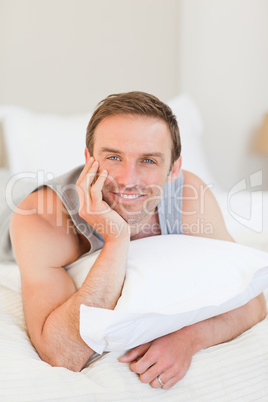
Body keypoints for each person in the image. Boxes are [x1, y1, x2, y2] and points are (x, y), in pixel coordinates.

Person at [10, 91, 266, 390]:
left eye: (148, 160)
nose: (128, 179)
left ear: (174, 169)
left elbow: (253, 300)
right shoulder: (38, 215)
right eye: (113, 157)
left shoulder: (188, 196)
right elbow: (62, 354)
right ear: (88, 159)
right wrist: (117, 239)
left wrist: (187, 338)